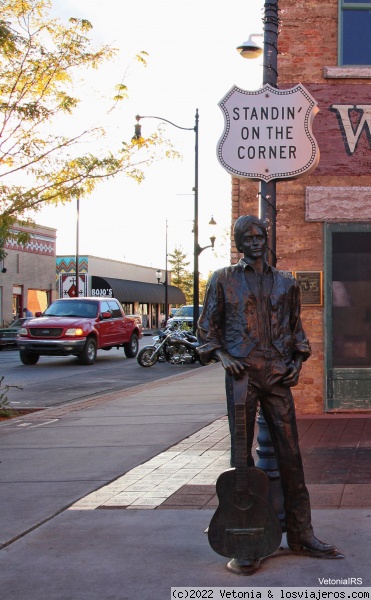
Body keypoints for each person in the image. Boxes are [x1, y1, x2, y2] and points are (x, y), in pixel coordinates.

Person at [197, 215, 341, 559]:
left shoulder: (286, 283)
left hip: (276, 374)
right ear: (238, 243)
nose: (255, 241)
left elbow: (296, 331)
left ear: (266, 238)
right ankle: (244, 537)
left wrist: (297, 362)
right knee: (241, 458)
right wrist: (222, 356)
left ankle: (301, 533)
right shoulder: (222, 280)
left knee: (291, 455)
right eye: (247, 237)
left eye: (259, 235)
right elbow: (206, 329)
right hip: (242, 375)